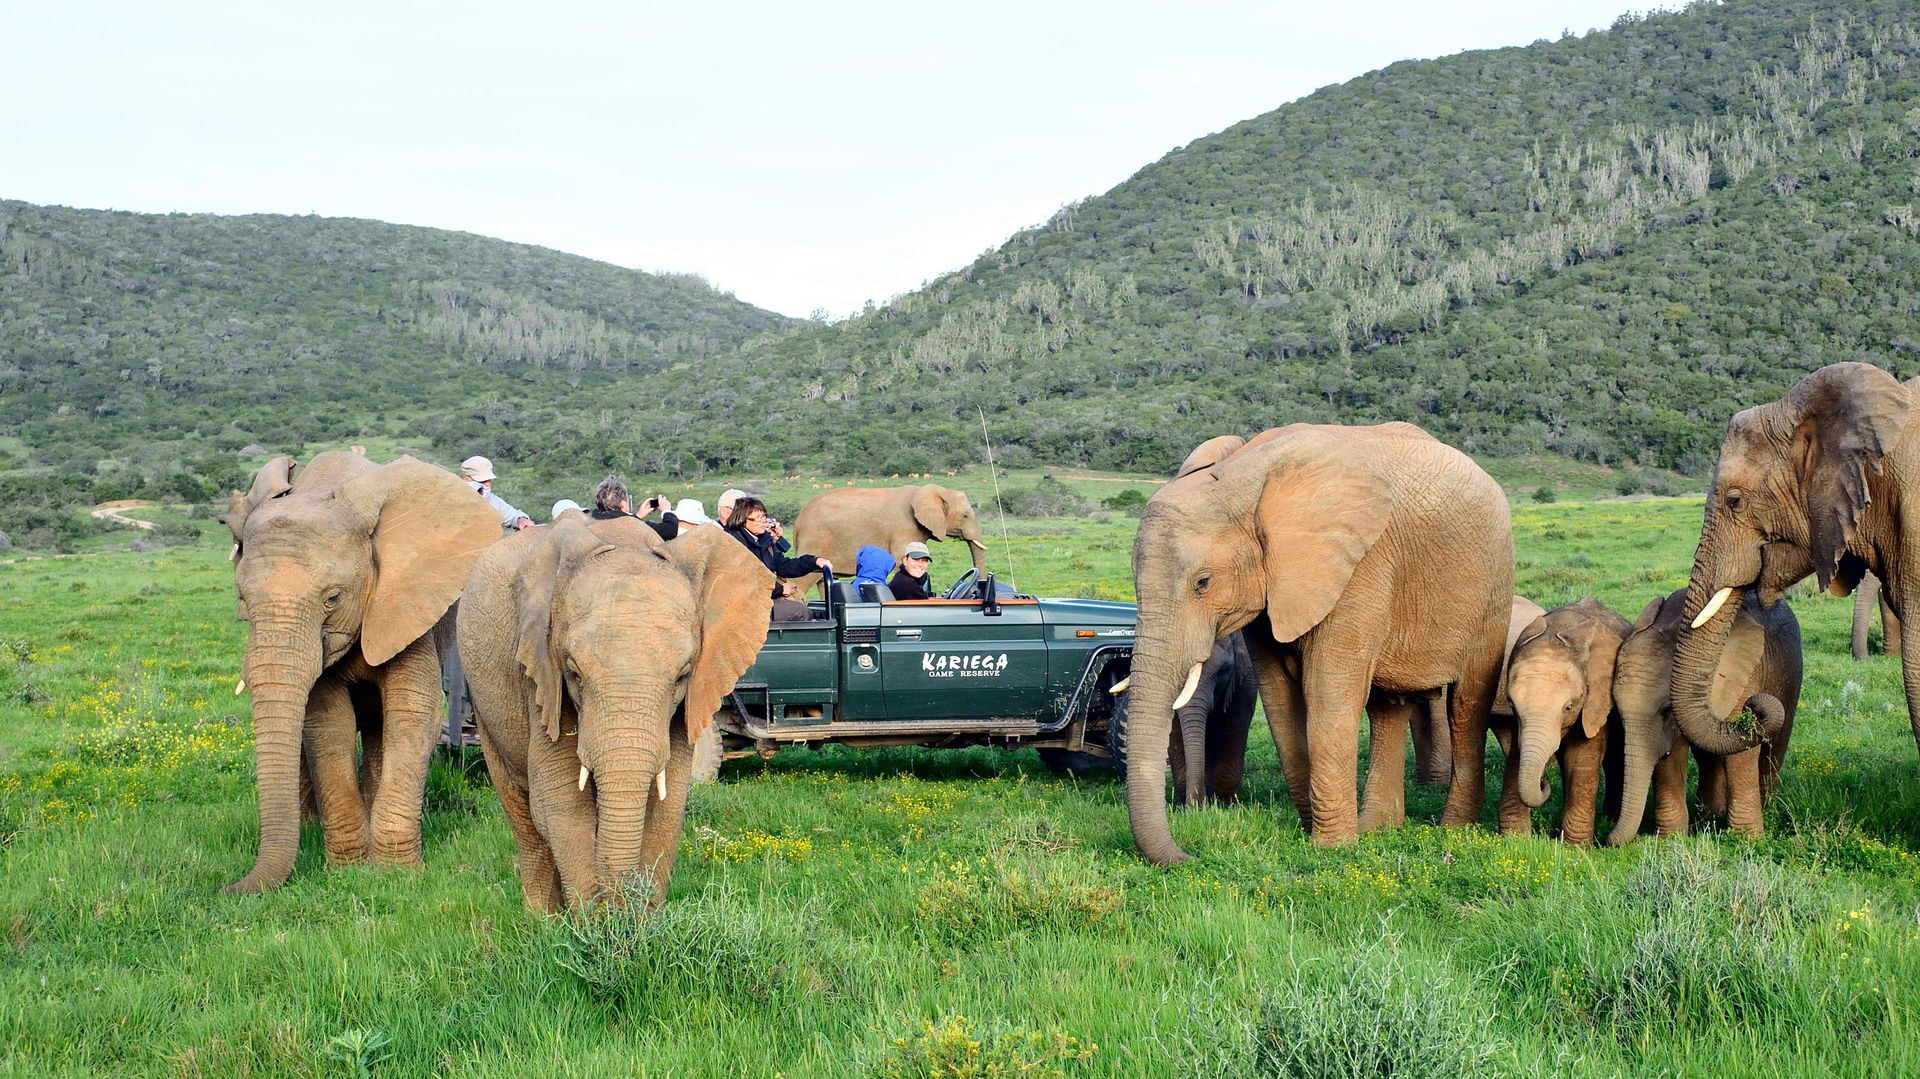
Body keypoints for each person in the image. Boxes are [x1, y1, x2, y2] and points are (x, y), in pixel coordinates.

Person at [724, 497, 831, 621]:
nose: (764, 522)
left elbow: (783, 566)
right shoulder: (733, 543)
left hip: (762, 598)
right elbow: (746, 579)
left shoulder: (762, 540)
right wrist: (779, 589)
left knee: (802, 604)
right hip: (743, 605)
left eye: (764, 516)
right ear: (742, 520)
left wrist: (813, 561)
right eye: (758, 518)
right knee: (800, 612)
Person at [587, 475, 679, 541]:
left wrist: (637, 516)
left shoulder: (589, 518)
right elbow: (670, 531)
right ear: (623, 503)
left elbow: (614, 517)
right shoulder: (633, 526)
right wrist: (666, 511)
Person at [462, 456, 532, 531]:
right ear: (466, 480)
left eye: (489, 480)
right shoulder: (452, 497)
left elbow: (513, 515)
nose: (488, 484)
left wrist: (521, 520)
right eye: (482, 481)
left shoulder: (492, 500)